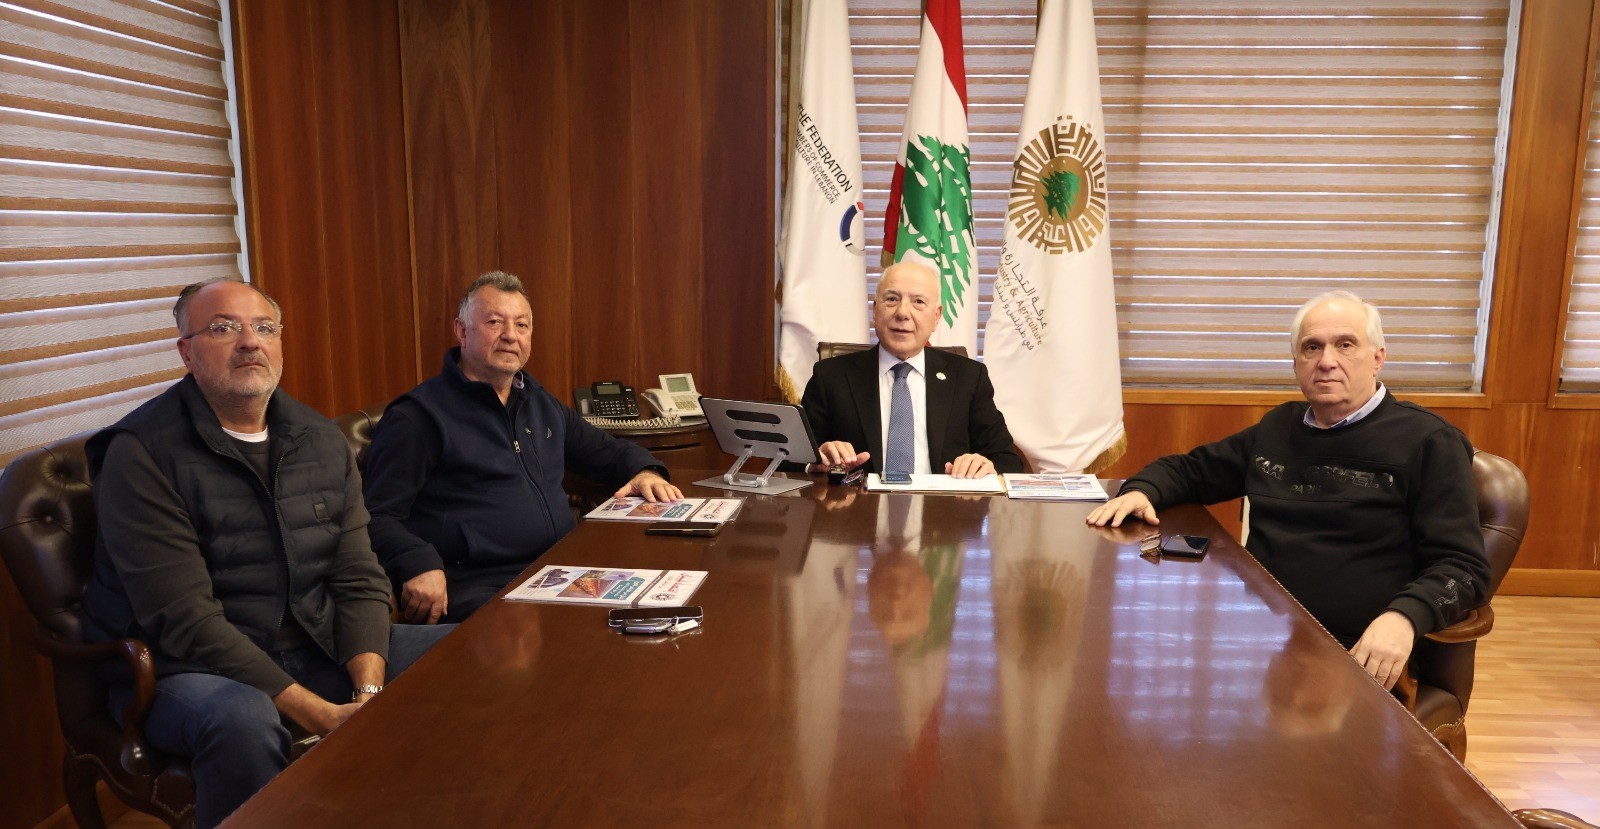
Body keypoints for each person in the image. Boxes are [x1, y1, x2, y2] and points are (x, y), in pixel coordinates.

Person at [83, 279, 451, 829]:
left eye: (264, 327)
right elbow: (186, 621)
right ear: (185, 351)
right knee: (243, 720)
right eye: (223, 328)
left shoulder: (318, 437)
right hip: (182, 669)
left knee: (463, 655)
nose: (249, 341)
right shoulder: (140, 454)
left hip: (314, 641)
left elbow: (358, 576)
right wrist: (322, 714)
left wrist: (369, 691)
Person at [1086, 290, 1491, 692]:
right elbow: (1191, 471)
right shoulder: (1280, 428)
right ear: (1296, 363)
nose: (1326, 361)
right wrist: (1142, 491)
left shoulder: (1429, 441)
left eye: (1345, 345)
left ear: (1378, 358)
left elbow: (1463, 567)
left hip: (1354, 651)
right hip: (1257, 634)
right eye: (1312, 347)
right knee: (1131, 670)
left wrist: (1403, 618)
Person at [363, 271, 682, 624]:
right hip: (481, 586)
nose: (510, 336)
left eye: (522, 325)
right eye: (494, 322)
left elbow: (603, 450)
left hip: (558, 572)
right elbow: (373, 515)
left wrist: (645, 470)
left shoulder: (536, 400)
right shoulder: (418, 418)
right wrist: (417, 561)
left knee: (658, 613)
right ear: (461, 331)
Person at [800, 260, 1023, 478]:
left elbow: (1008, 461)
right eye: (891, 299)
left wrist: (985, 465)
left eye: (918, 302)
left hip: (944, 503)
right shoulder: (830, 376)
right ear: (875, 310)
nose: (903, 313)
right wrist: (817, 460)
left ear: (936, 317)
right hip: (859, 501)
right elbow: (792, 459)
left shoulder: (968, 378)